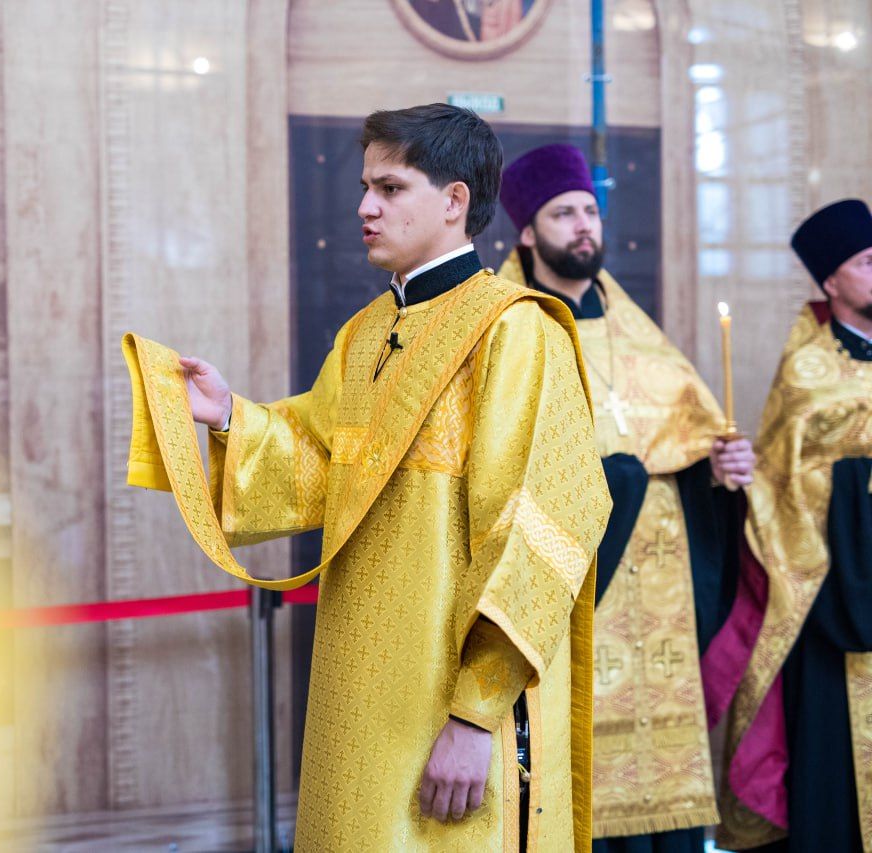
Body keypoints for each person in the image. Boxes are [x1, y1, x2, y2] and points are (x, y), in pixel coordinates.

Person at [122, 105, 610, 850]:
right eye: (364, 187)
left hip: (451, 701)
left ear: (454, 201)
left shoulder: (515, 331)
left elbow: (543, 529)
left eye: (390, 187)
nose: (365, 208)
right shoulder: (365, 333)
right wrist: (229, 417)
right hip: (357, 692)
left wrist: (475, 713)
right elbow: (321, 467)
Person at [495, 144, 755, 853]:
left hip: (662, 602)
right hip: (578, 587)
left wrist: (720, 471)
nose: (584, 225)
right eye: (563, 213)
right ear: (527, 232)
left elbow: (691, 447)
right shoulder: (513, 331)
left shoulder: (641, 335)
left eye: (590, 210)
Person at [703, 198, 872, 852]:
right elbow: (776, 485)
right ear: (831, 281)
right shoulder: (806, 371)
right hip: (830, 594)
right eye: (866, 262)